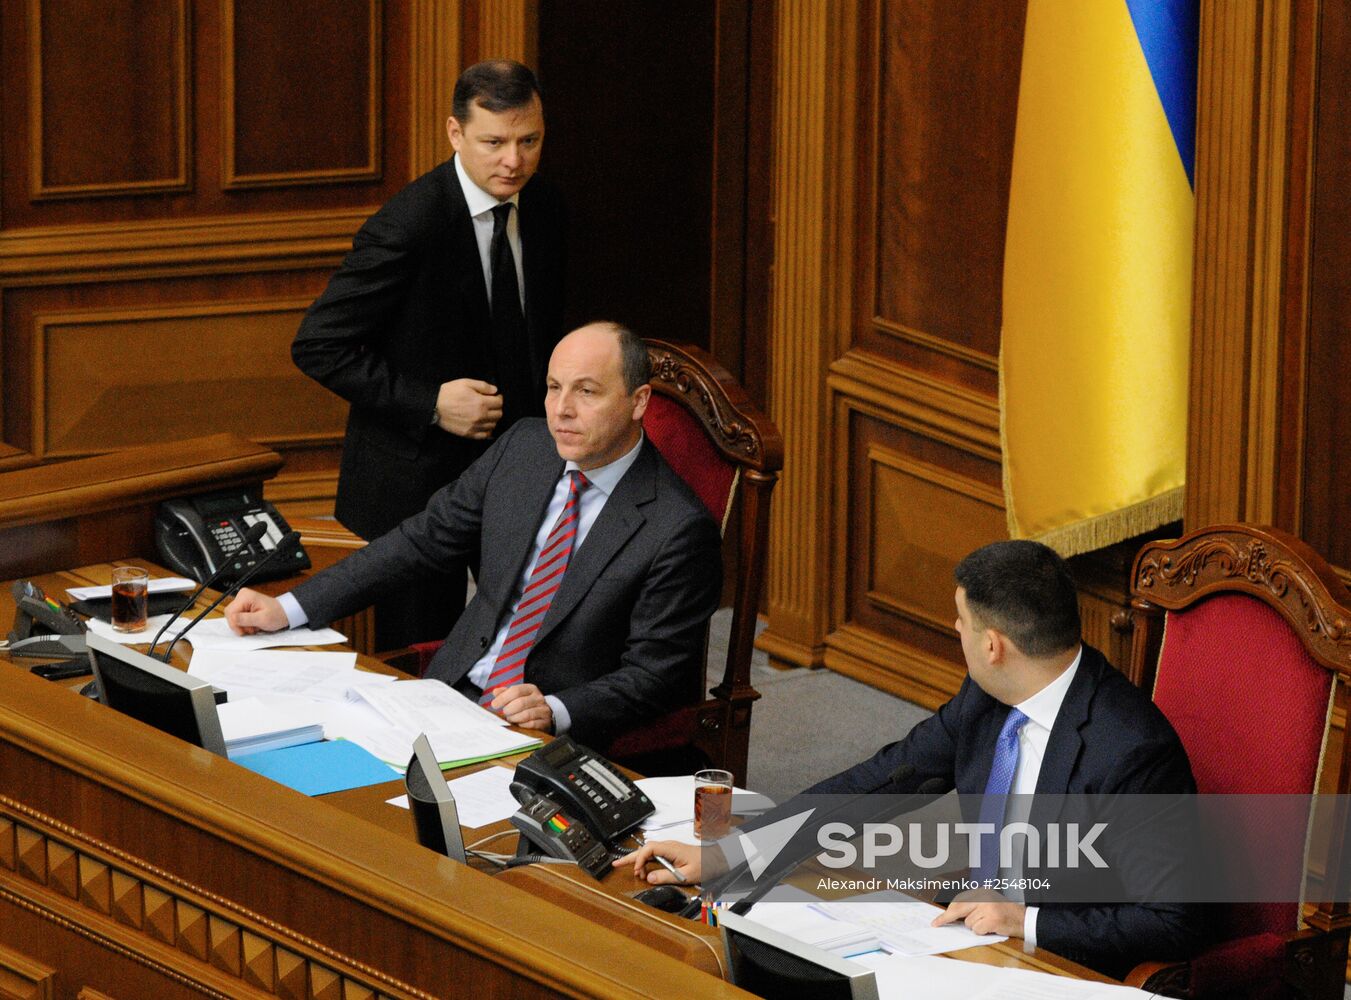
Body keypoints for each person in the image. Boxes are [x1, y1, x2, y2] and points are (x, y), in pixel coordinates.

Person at [620, 540, 1204, 979]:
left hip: (1057, 965)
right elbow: (881, 783)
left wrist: (1022, 920)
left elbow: (1174, 922)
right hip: (960, 939)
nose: (958, 631)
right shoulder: (990, 698)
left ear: (993, 645)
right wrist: (732, 854)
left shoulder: (1130, 751)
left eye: (961, 622)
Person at [227, 323, 720, 746]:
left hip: (541, 734)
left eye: (586, 391)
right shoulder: (526, 446)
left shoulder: (677, 528)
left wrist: (556, 709)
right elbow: (422, 539)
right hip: (443, 696)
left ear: (638, 402)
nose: (561, 410)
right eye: (553, 387)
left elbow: (654, 677)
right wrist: (290, 608)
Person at [292, 60, 567, 650]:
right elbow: (318, 344)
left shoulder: (547, 208)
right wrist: (430, 403)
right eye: (493, 143)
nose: (513, 161)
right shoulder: (409, 224)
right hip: (413, 489)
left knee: (530, 649)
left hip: (518, 471)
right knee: (414, 666)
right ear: (454, 133)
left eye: (529, 141)